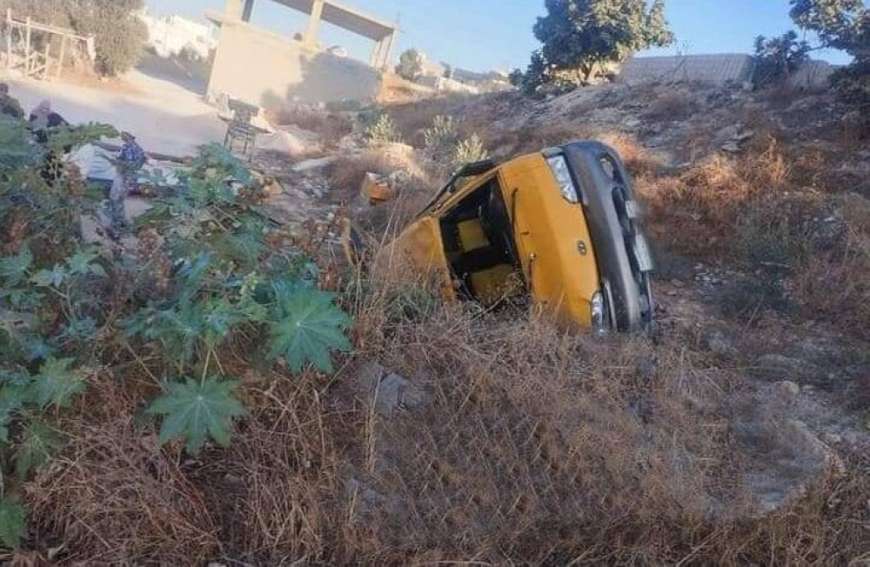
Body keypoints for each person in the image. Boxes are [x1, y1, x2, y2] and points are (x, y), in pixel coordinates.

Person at [106, 131, 147, 239]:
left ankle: (117, 227)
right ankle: (121, 224)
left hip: (123, 176)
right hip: (129, 177)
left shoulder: (128, 147)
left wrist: (117, 162)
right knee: (119, 200)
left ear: (129, 137)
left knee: (115, 199)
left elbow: (129, 163)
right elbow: (139, 163)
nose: (121, 137)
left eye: (123, 136)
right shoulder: (138, 148)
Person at [28, 100, 71, 185]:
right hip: (42, 146)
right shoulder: (34, 114)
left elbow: (67, 126)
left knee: (54, 166)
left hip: (54, 145)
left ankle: (51, 182)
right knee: (44, 166)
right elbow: (31, 129)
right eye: (43, 108)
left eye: (46, 108)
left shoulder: (54, 116)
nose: (44, 110)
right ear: (39, 106)